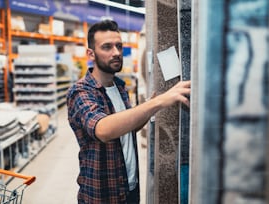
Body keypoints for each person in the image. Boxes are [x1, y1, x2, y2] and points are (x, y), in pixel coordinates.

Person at [66, 20, 191, 204]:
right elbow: (103, 129)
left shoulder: (119, 86)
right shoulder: (81, 92)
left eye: (118, 46)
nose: (116, 53)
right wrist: (156, 103)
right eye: (107, 47)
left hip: (128, 189)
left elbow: (129, 127)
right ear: (91, 54)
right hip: (101, 196)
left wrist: (150, 107)